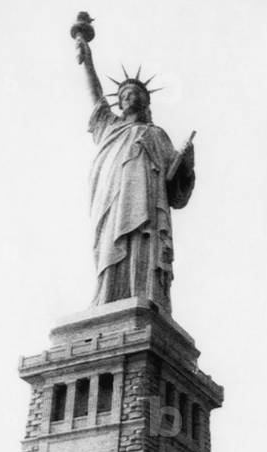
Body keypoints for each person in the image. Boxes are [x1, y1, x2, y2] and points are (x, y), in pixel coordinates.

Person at [75, 32, 195, 313]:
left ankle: (146, 294)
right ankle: (108, 297)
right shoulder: (109, 127)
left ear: (146, 102)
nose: (129, 97)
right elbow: (95, 98)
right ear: (118, 103)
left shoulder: (156, 135)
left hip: (148, 207)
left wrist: (187, 165)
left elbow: (174, 190)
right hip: (113, 200)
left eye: (135, 94)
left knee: (144, 244)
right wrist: (87, 61)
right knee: (109, 246)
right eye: (124, 95)